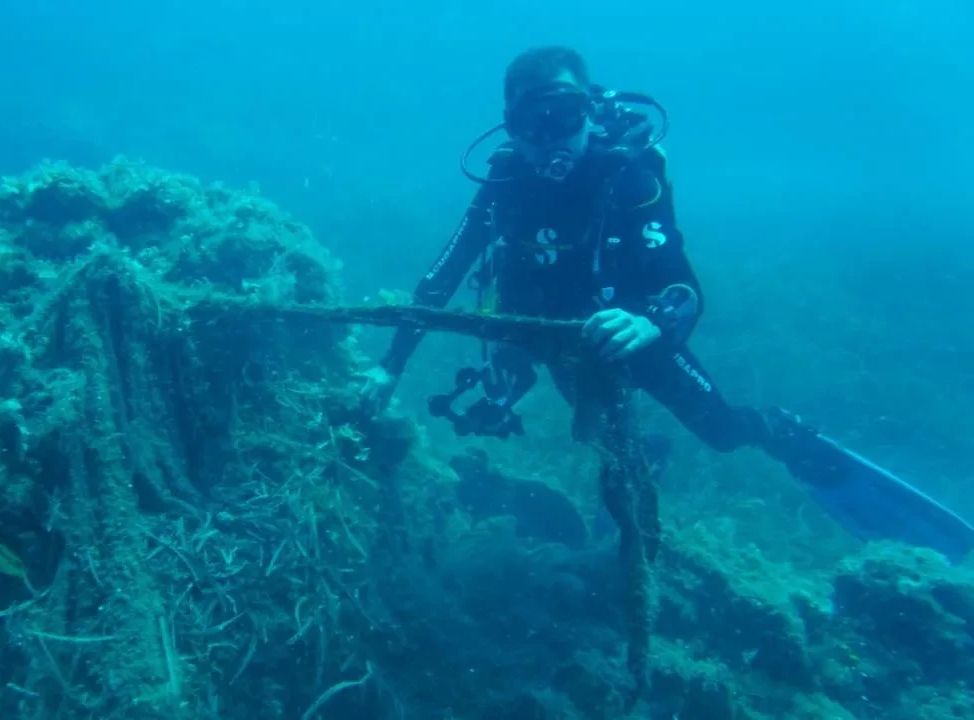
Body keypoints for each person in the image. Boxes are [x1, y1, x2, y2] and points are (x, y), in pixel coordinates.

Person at [358, 46, 974, 562]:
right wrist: (389, 368)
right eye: (532, 124)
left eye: (565, 118)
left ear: (589, 112)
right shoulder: (503, 185)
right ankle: (638, 468)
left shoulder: (629, 175)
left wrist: (647, 322)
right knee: (586, 431)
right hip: (556, 336)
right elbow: (438, 283)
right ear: (510, 127)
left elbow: (681, 286)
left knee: (721, 432)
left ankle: (783, 433)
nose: (552, 141)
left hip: (632, 329)